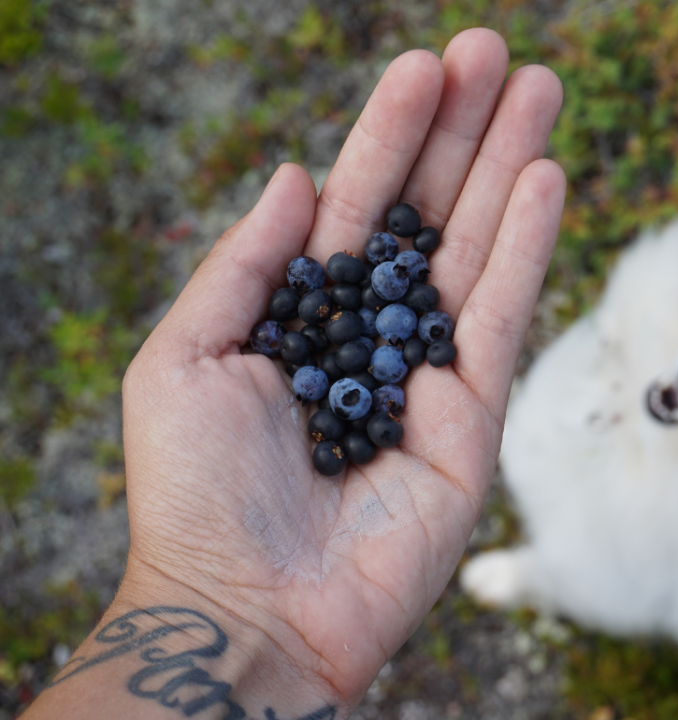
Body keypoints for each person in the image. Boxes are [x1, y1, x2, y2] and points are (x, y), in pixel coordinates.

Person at [22, 28, 565, 720]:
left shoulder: (372, 329)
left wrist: (201, 595)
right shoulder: (351, 350)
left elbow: (366, 339)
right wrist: (213, 593)